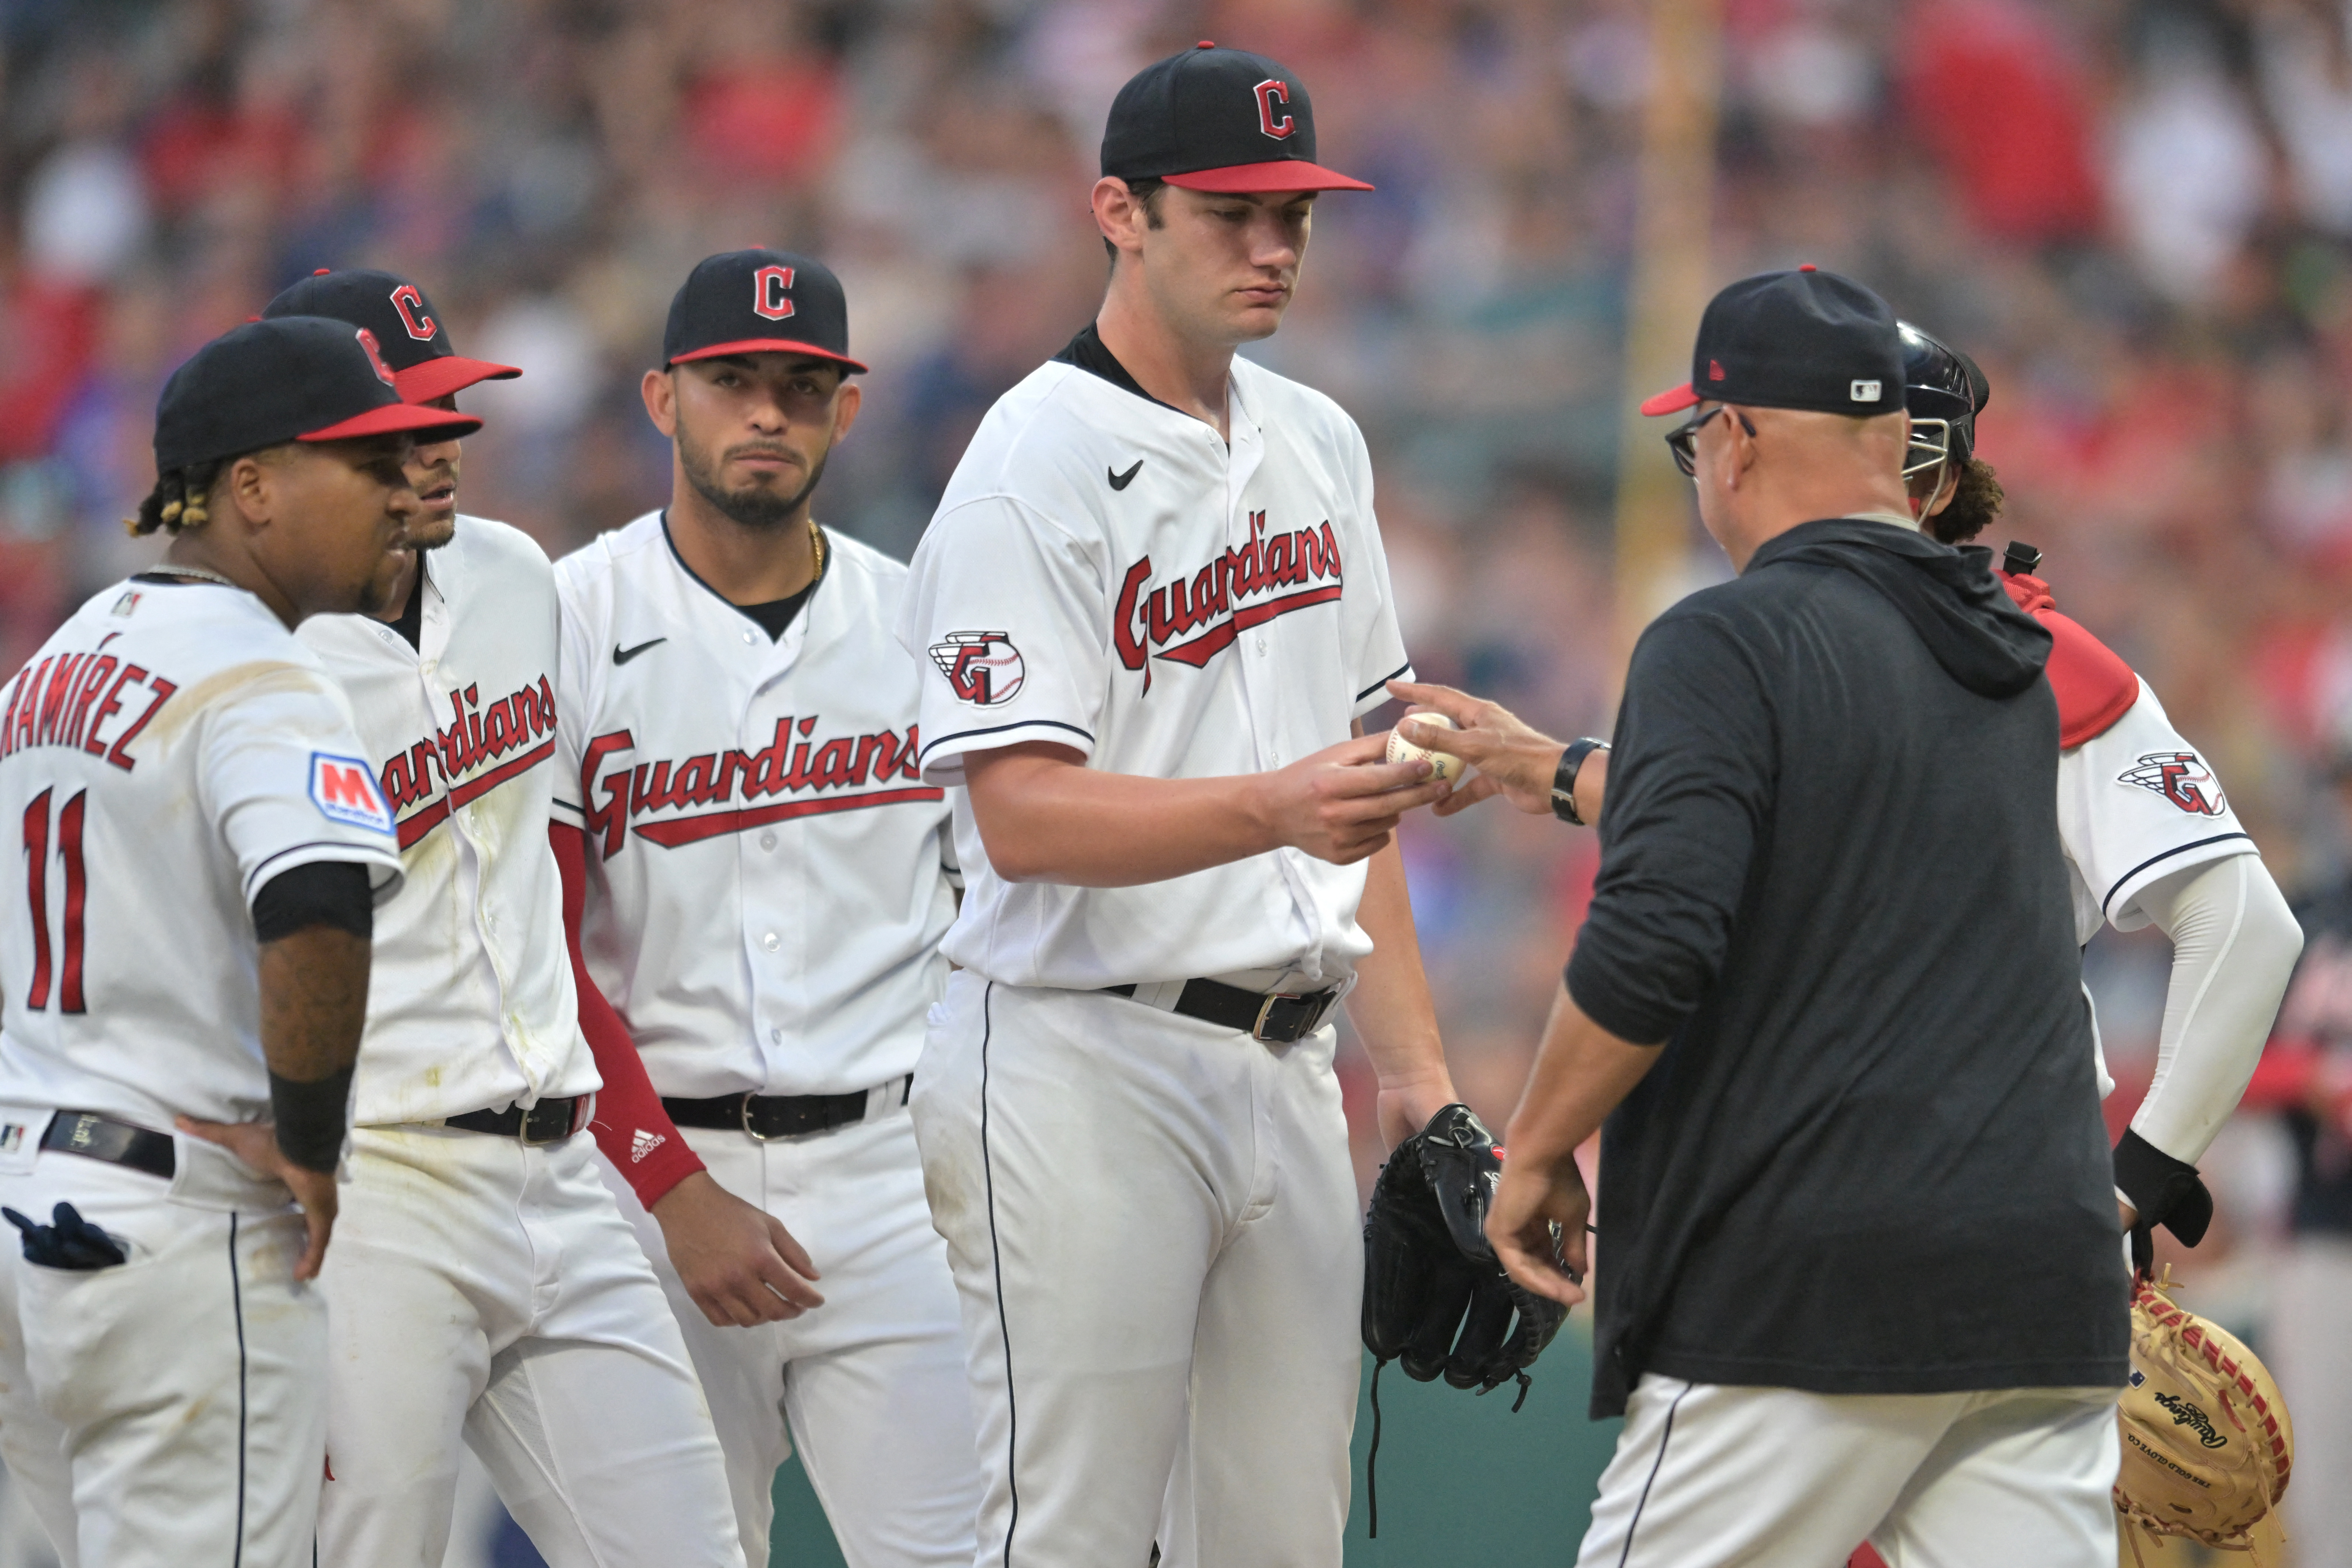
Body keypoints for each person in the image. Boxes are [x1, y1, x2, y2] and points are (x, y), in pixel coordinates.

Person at [894, 42, 1458, 1568]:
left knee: (1280, 1544)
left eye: (1295, 215)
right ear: (1120, 212)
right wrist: (1277, 805)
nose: (1272, 248)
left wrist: (1416, 1076)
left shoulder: (1316, 439)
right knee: (1063, 1536)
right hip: (1079, 1055)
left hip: (1288, 1064)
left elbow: (1360, 786)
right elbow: (1020, 816)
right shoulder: (1029, 462)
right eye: (1229, 213)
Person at [1404, 321, 2303, 1272]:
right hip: (1977, 1220)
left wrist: (2143, 1174)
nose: (1715, 468)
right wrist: (1552, 767)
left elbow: (2248, 928)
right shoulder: (1848, 655)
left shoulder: (2029, 661)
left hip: (1884, 1220)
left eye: (1730, 437)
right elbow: (1767, 814)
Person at [1483, 267, 2133, 1566]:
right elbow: (1814, 820)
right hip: (2040, 1271)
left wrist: (1538, 1146)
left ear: (1736, 438)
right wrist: (1559, 767)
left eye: (1693, 437)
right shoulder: (2010, 659)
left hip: (1812, 1279)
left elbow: (1657, 939)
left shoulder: (1723, 639)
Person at [262, 269, 744, 1568]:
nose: (439, 451)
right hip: (377, 1188)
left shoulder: (515, 577)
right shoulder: (247, 658)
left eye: (446, 414)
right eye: (397, 427)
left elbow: (555, 873)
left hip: (562, 1168)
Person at [548, 248, 982, 1568]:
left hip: (895, 1174)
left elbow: (1001, 920)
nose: (768, 413)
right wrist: (674, 1188)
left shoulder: (923, 621)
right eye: (733, 381)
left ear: (846, 411)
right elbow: (532, 945)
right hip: (645, 1175)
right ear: (661, 396)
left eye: (802, 387)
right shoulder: (564, 617)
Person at [0, 315, 450, 1565]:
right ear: (251, 486)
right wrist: (311, 1141)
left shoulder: (55, 662)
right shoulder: (262, 675)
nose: (405, 493)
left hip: (30, 1206)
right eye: (364, 466)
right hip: (174, 1230)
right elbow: (316, 899)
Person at [2240, 736, 2352, 1567]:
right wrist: (2316, 1081)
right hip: (2323, 1233)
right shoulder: (2305, 915)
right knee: (2322, 1488)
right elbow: (2234, 1058)